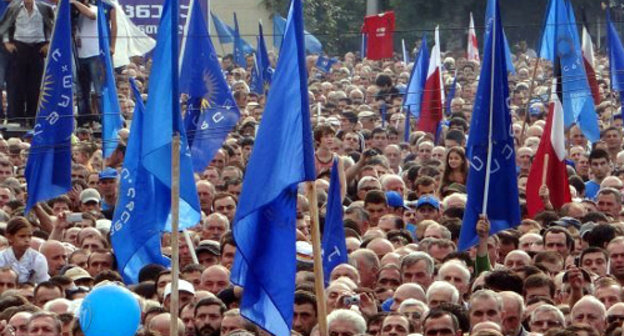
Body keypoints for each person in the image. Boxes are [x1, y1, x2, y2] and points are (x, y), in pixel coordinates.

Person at [0, 217, 48, 283]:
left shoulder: (38, 259)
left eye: (30, 236)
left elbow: (42, 283)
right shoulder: (1, 258)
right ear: (9, 237)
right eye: (22, 236)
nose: (27, 240)